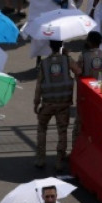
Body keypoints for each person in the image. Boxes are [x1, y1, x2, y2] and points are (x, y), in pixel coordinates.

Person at [33, 40, 74, 170]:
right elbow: (78, 70)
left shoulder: (44, 63)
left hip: (47, 103)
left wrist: (36, 102)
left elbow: (39, 84)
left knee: (42, 128)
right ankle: (59, 161)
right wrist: (68, 55)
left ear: (50, 47)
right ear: (61, 46)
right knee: (62, 131)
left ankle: (40, 159)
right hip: (63, 103)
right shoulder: (67, 60)